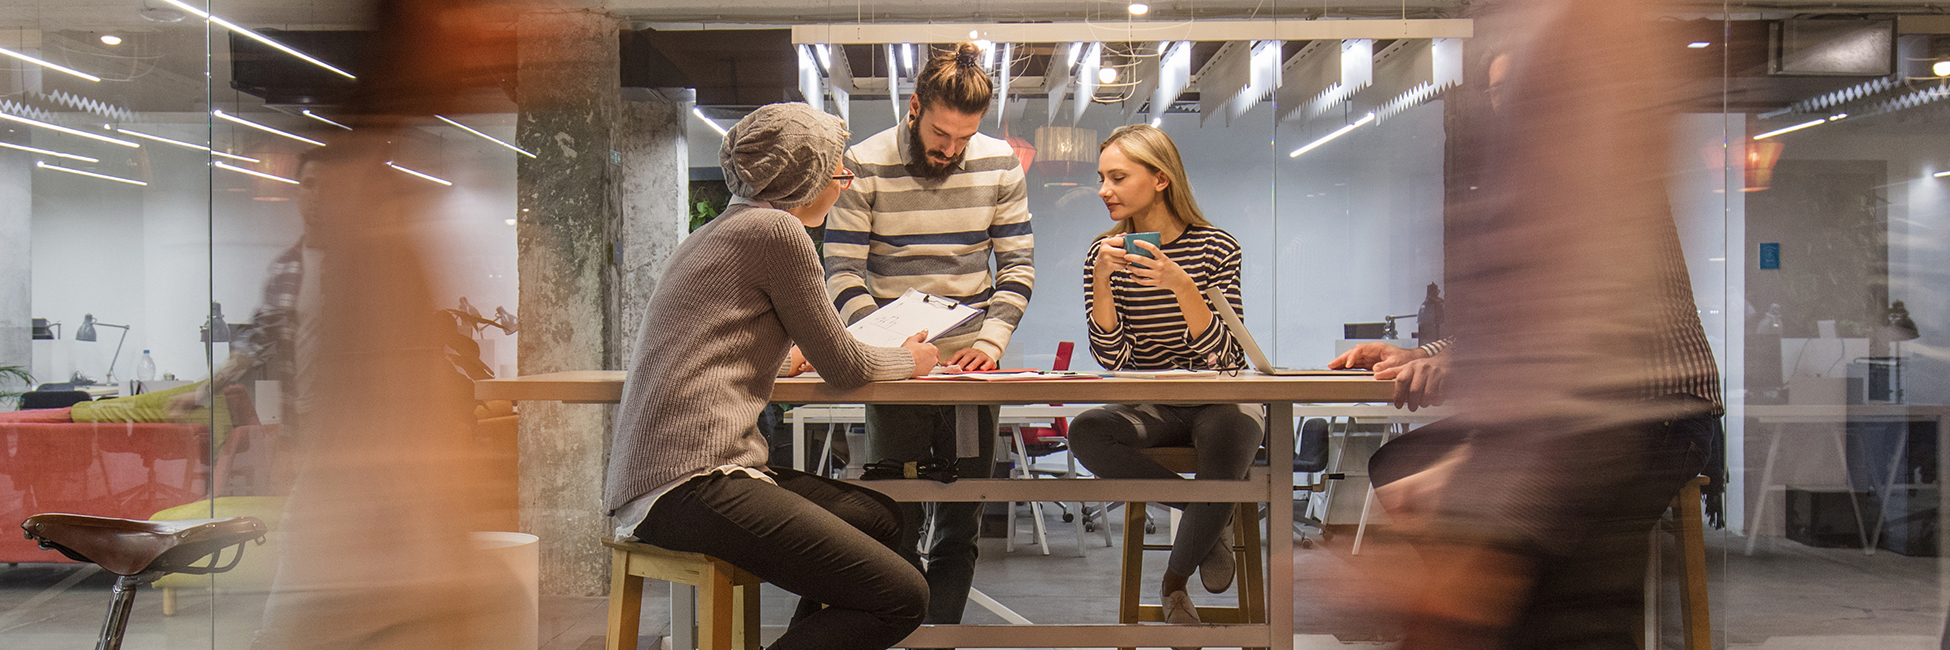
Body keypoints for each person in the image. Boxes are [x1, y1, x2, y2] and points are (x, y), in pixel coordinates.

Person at [1327, 4, 1723, 648]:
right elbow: (1532, 307)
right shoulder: (1554, 77)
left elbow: (1580, 312)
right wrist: (1430, 354)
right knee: (1408, 469)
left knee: (1532, 585)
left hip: (1648, 415)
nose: (1506, 108)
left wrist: (1487, 505)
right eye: (1498, 96)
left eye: (1516, 92)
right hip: (1585, 415)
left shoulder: (1586, 61)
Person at [606, 103, 941, 650]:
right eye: (837, 169)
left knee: (876, 516)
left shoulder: (717, 231)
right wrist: (911, 359)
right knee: (902, 597)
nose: (844, 180)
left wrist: (784, 360)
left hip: (662, 478)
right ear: (805, 176)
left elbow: (710, 346)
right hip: (689, 482)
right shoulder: (777, 230)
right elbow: (847, 366)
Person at [822, 41, 1033, 629]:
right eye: (942, 134)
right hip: (894, 365)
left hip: (970, 366)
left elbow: (1017, 267)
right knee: (894, 515)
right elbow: (842, 270)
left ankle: (939, 638)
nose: (951, 149)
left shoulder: (999, 163)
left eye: (965, 137)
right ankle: (900, 634)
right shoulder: (864, 162)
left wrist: (990, 342)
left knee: (961, 520)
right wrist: (886, 345)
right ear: (914, 107)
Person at [1066, 124, 1257, 636]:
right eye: (1101, 178)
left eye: (1117, 177)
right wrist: (1102, 279)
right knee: (1086, 431)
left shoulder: (1217, 247)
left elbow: (1225, 356)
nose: (1103, 190)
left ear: (1160, 179)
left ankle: (1173, 585)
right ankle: (1211, 516)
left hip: (1217, 400)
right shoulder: (1103, 253)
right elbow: (1113, 358)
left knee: (1234, 429)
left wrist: (1183, 286)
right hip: (1151, 403)